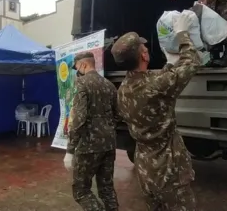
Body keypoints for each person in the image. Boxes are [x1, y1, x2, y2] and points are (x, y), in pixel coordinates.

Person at [111, 13, 201, 210]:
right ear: (144, 55)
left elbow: (154, 81)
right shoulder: (157, 85)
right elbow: (193, 61)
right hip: (169, 171)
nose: (146, 49)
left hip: (146, 171)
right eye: (144, 47)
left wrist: (169, 63)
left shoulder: (123, 90)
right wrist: (182, 35)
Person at [63, 52, 120, 211]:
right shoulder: (109, 85)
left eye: (77, 68)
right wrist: (106, 128)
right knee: (106, 187)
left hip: (88, 146)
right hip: (108, 144)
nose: (77, 71)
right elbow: (118, 114)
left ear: (84, 65)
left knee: (81, 191)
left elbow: (79, 119)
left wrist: (70, 150)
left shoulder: (82, 84)